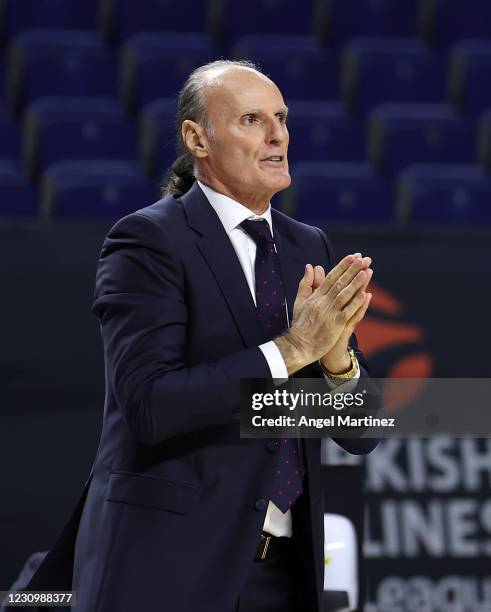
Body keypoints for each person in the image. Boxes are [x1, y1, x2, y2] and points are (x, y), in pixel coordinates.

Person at [26, 60, 378, 612]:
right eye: (251, 119)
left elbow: (361, 433)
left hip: (282, 575)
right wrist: (292, 350)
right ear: (197, 138)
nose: (277, 134)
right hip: (165, 568)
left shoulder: (310, 247)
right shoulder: (148, 241)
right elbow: (151, 405)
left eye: (282, 119)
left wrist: (335, 362)